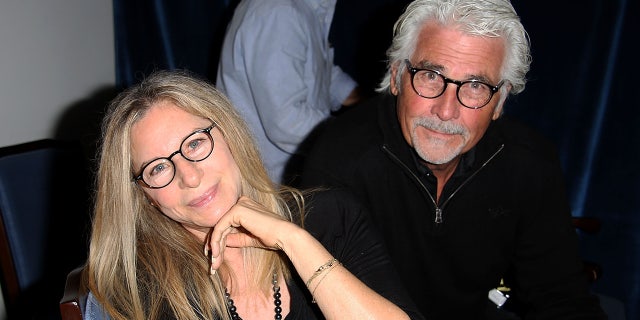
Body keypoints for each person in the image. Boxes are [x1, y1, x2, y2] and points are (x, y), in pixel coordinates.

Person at [300, 0, 607, 319]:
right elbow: (319, 303)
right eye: (431, 76)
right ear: (396, 77)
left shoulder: (528, 163)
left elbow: (561, 297)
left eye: (475, 86)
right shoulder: (340, 160)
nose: (446, 111)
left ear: (500, 100)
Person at [81, 70, 423, 320]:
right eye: (157, 168)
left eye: (196, 143)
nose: (189, 175)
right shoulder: (141, 293)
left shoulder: (332, 218)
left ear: (230, 135)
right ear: (143, 196)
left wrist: (295, 242)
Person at [215, 0, 362, 184]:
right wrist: (357, 136)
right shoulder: (279, 11)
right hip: (276, 186)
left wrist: (370, 104)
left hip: (287, 177)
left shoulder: (301, 7)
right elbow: (286, 120)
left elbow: (319, 72)